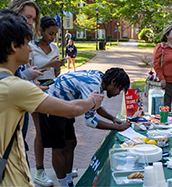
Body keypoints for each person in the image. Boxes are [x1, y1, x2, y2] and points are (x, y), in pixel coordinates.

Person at [0, 12, 103, 187]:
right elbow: (70, 110)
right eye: (26, 44)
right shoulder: (16, 87)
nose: (30, 48)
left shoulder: (10, 85)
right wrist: (91, 101)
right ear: (13, 46)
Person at [38, 68, 132, 187]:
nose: (118, 93)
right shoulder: (93, 84)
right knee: (58, 148)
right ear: (113, 81)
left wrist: (113, 118)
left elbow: (95, 106)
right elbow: (90, 121)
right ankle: (63, 184)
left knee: (71, 142)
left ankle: (68, 179)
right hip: (50, 105)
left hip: (65, 106)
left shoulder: (100, 78)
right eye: (119, 88)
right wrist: (117, 127)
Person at [7, 0, 55, 186]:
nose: (30, 22)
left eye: (33, 19)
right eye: (27, 17)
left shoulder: (17, 41)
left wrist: (26, 77)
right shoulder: (8, 41)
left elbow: (13, 75)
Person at [29, 16, 65, 186]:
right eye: (50, 33)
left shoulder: (55, 47)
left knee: (57, 129)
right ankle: (39, 171)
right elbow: (29, 72)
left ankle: (60, 166)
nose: (53, 37)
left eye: (55, 34)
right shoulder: (30, 48)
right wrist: (49, 64)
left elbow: (55, 74)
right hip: (36, 90)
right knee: (41, 132)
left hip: (53, 90)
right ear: (41, 31)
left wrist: (57, 66)